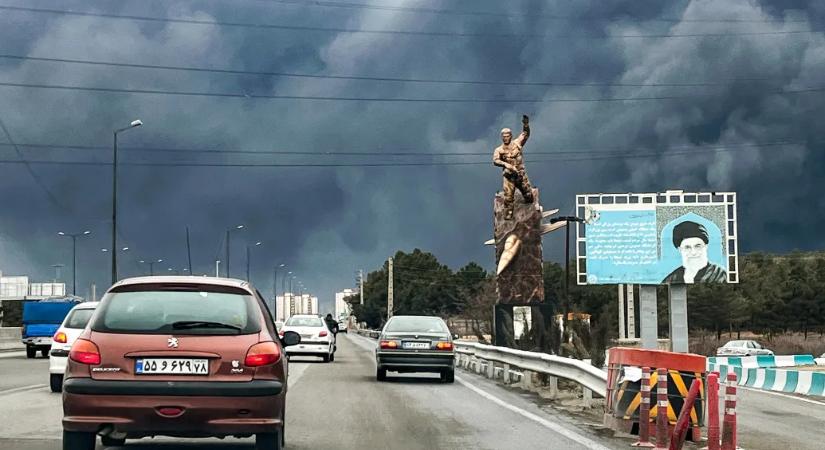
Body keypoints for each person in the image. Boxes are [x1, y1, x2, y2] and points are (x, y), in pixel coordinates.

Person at [493, 114, 534, 220]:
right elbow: (495, 160)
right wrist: (506, 164)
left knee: (528, 195)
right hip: (509, 175)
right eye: (504, 137)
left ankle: (530, 208)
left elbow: (525, 134)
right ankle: (509, 213)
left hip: (520, 174)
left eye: (507, 136)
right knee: (508, 196)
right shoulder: (499, 149)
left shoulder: (517, 143)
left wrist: (526, 124)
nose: (505, 138)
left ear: (510, 136)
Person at [661, 221, 727, 284]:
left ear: (706, 247)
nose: (693, 252)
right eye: (687, 247)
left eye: (698, 246)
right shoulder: (671, 278)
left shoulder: (720, 274)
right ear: (680, 250)